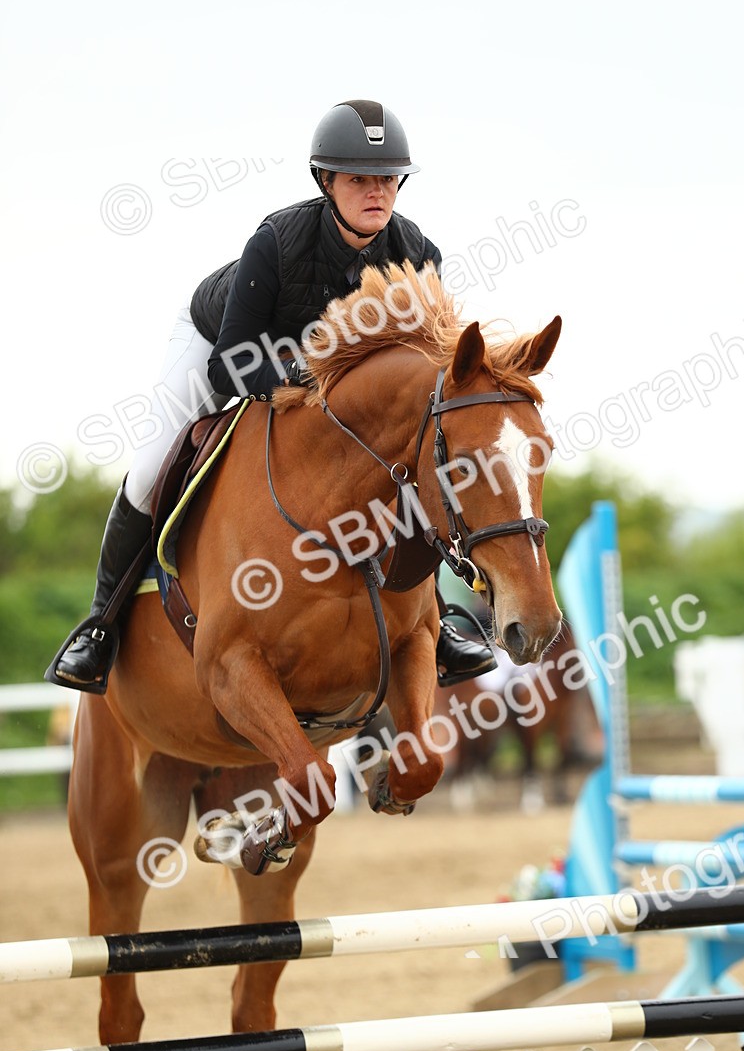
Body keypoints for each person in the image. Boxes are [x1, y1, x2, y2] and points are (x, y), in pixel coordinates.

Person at [47, 99, 496, 694]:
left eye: (387, 179)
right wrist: (305, 378)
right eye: (359, 179)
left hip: (320, 384)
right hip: (224, 343)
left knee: (411, 466)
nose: (376, 192)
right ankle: (100, 625)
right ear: (326, 181)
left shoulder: (417, 254)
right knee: (151, 466)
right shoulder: (278, 241)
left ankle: (438, 619)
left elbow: (427, 366)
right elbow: (229, 362)